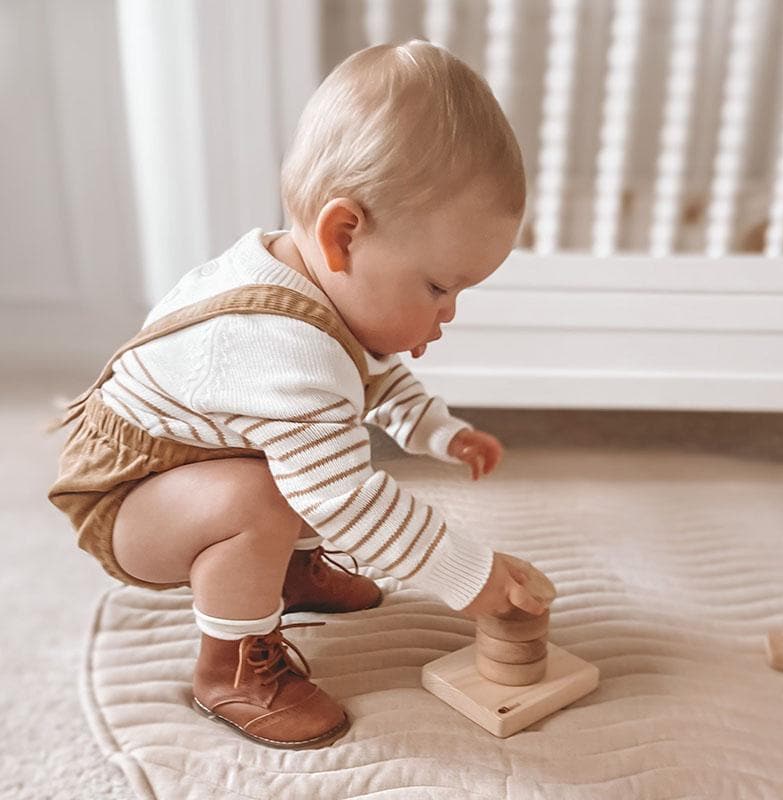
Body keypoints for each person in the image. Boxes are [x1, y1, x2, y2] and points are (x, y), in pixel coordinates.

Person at [47, 38, 556, 750]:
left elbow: (369, 374)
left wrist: (437, 430)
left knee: (298, 461)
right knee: (273, 493)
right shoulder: (279, 347)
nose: (448, 313)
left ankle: (286, 570)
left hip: (188, 468)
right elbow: (345, 498)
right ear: (344, 234)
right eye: (439, 287)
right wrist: (470, 575)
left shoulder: (312, 277)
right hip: (128, 498)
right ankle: (232, 668)